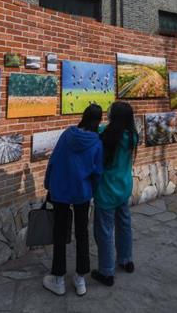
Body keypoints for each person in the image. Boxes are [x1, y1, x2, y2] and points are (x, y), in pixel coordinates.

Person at [43, 104, 104, 297]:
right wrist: (93, 191)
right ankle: (80, 279)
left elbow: (53, 161)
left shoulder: (67, 135)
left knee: (59, 233)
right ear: (99, 121)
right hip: (82, 192)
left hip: (61, 189)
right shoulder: (97, 143)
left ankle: (58, 278)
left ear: (83, 116)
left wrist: (48, 184)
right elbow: (98, 172)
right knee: (82, 232)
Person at [91, 101, 139, 287]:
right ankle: (126, 260)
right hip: (124, 188)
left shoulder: (105, 134)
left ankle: (106, 271)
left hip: (106, 191)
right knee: (124, 225)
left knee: (104, 232)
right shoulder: (132, 136)